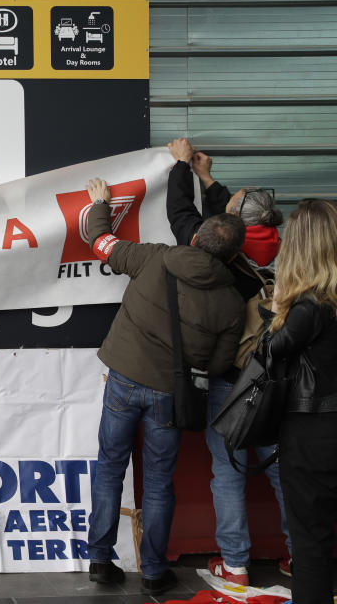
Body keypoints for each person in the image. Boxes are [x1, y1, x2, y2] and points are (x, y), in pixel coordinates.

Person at [84, 178, 246, 596]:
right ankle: (153, 571)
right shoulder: (230, 302)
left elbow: (100, 242)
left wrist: (100, 203)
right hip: (170, 397)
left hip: (122, 380)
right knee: (158, 481)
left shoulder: (157, 258)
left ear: (195, 237)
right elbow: (220, 364)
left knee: (109, 468)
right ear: (232, 256)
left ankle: (100, 559)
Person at [166, 137, 291, 585]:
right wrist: (207, 178)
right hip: (277, 382)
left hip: (229, 381)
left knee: (229, 472)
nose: (225, 200)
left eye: (230, 203)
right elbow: (234, 216)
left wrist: (182, 169)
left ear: (233, 224)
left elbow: (185, 220)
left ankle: (235, 565)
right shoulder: (284, 252)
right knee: (280, 470)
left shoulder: (223, 257)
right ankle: (301, 555)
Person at [266, 199, 337, 604]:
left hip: (314, 435)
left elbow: (269, 354)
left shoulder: (308, 308)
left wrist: (277, 309)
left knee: (310, 547)